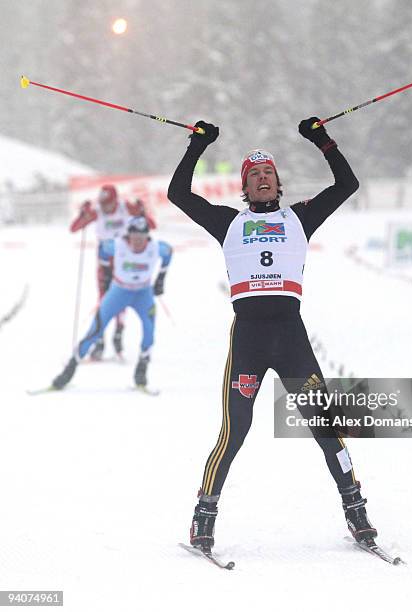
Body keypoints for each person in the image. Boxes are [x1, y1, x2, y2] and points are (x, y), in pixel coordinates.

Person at [167, 117, 378, 553]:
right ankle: (203, 516)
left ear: (278, 183)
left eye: (269, 174)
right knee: (235, 430)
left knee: (324, 426)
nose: (263, 179)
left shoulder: (300, 217)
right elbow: (178, 195)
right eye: (254, 175)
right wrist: (196, 145)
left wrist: (322, 140)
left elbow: (347, 184)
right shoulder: (227, 221)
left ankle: (355, 509)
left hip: (291, 337)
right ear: (245, 187)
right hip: (248, 338)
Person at [51, 216, 171, 390]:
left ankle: (141, 370)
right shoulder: (116, 245)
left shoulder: (157, 248)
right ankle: (68, 371)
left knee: (149, 331)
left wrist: (161, 278)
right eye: (134, 237)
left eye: (142, 237)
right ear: (128, 236)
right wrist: (106, 273)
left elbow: (168, 254)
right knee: (95, 330)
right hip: (119, 291)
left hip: (143, 293)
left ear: (147, 236)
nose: (138, 241)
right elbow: (102, 250)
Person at [70, 184, 157, 360]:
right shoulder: (97, 210)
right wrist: (82, 214)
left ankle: (118, 334)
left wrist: (141, 211)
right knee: (104, 301)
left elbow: (151, 225)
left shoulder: (126, 207)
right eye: (102, 203)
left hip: (124, 259)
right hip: (104, 260)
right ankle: (99, 342)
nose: (105, 208)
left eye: (108, 204)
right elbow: (74, 228)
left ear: (115, 200)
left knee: (122, 299)